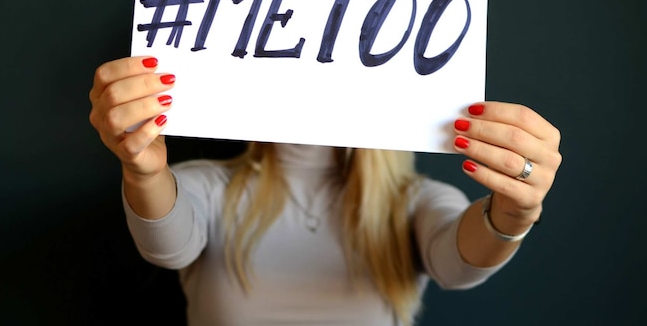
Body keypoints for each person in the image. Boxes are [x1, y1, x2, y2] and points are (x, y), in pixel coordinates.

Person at [88, 56, 562, 326]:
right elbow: (167, 245)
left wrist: (516, 213)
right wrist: (143, 170)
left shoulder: (414, 201)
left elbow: (459, 266)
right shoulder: (208, 186)